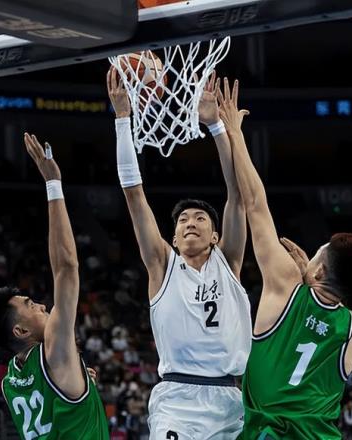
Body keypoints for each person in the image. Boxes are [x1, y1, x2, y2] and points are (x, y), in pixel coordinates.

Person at [217, 78, 352, 439]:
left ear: (320, 268)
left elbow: (256, 204)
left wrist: (234, 132)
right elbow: (327, 312)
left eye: (316, 253)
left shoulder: (285, 281)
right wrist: (309, 279)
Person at [107, 68, 252, 439]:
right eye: (183, 219)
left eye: (200, 218)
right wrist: (122, 119)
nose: (190, 222)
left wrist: (216, 126)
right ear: (172, 237)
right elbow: (134, 195)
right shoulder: (162, 265)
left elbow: (238, 195)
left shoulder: (228, 261)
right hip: (178, 400)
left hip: (232, 399)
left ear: (215, 235)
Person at [0, 134, 109, 439]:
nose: (41, 305)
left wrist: (80, 382)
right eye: (30, 306)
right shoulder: (52, 353)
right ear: (20, 331)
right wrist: (53, 183)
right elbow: (66, 268)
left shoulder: (11, 381)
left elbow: (53, 405)